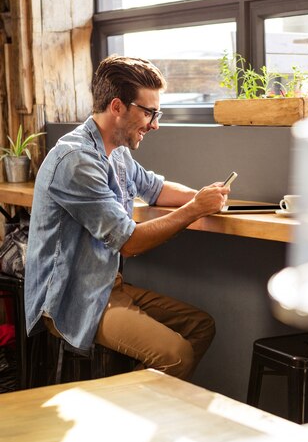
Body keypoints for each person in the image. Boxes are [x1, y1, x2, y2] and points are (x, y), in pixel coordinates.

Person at [25, 54, 230, 380]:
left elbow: (156, 189)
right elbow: (129, 243)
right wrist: (195, 210)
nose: (155, 124)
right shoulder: (77, 160)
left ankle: (129, 407)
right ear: (117, 107)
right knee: (176, 356)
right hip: (72, 295)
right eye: (149, 113)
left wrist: (205, 196)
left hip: (106, 283)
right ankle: (121, 416)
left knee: (200, 327)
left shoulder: (116, 150)